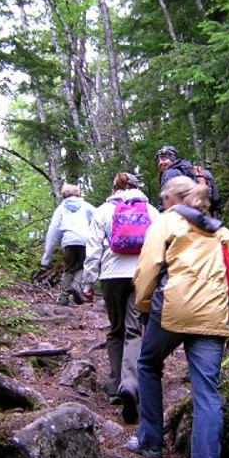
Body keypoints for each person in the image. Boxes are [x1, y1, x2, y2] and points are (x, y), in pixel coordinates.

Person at [126, 175, 229, 458]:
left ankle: (150, 441)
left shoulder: (166, 222)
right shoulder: (222, 231)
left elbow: (148, 268)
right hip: (213, 314)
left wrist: (144, 306)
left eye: (164, 200)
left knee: (149, 364)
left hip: (173, 309)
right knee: (207, 394)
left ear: (175, 200)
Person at [83, 172, 160, 422]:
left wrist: (87, 281)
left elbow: (93, 247)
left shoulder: (103, 211)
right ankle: (130, 382)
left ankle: (115, 386)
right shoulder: (150, 210)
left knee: (115, 330)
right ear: (137, 187)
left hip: (111, 274)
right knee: (133, 331)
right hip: (141, 274)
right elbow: (160, 245)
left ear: (114, 188)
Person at [40, 184, 95, 306]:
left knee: (69, 269)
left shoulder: (60, 209)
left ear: (63, 195)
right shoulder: (86, 206)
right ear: (78, 193)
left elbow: (53, 230)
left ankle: (63, 298)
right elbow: (98, 219)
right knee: (82, 266)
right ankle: (76, 286)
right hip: (84, 240)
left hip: (68, 241)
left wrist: (46, 257)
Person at [155, 145, 221, 214]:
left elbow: (165, 200)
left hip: (181, 216)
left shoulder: (170, 173)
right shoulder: (188, 170)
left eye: (164, 158)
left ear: (172, 158)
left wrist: (161, 216)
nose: (160, 163)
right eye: (159, 160)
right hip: (200, 214)